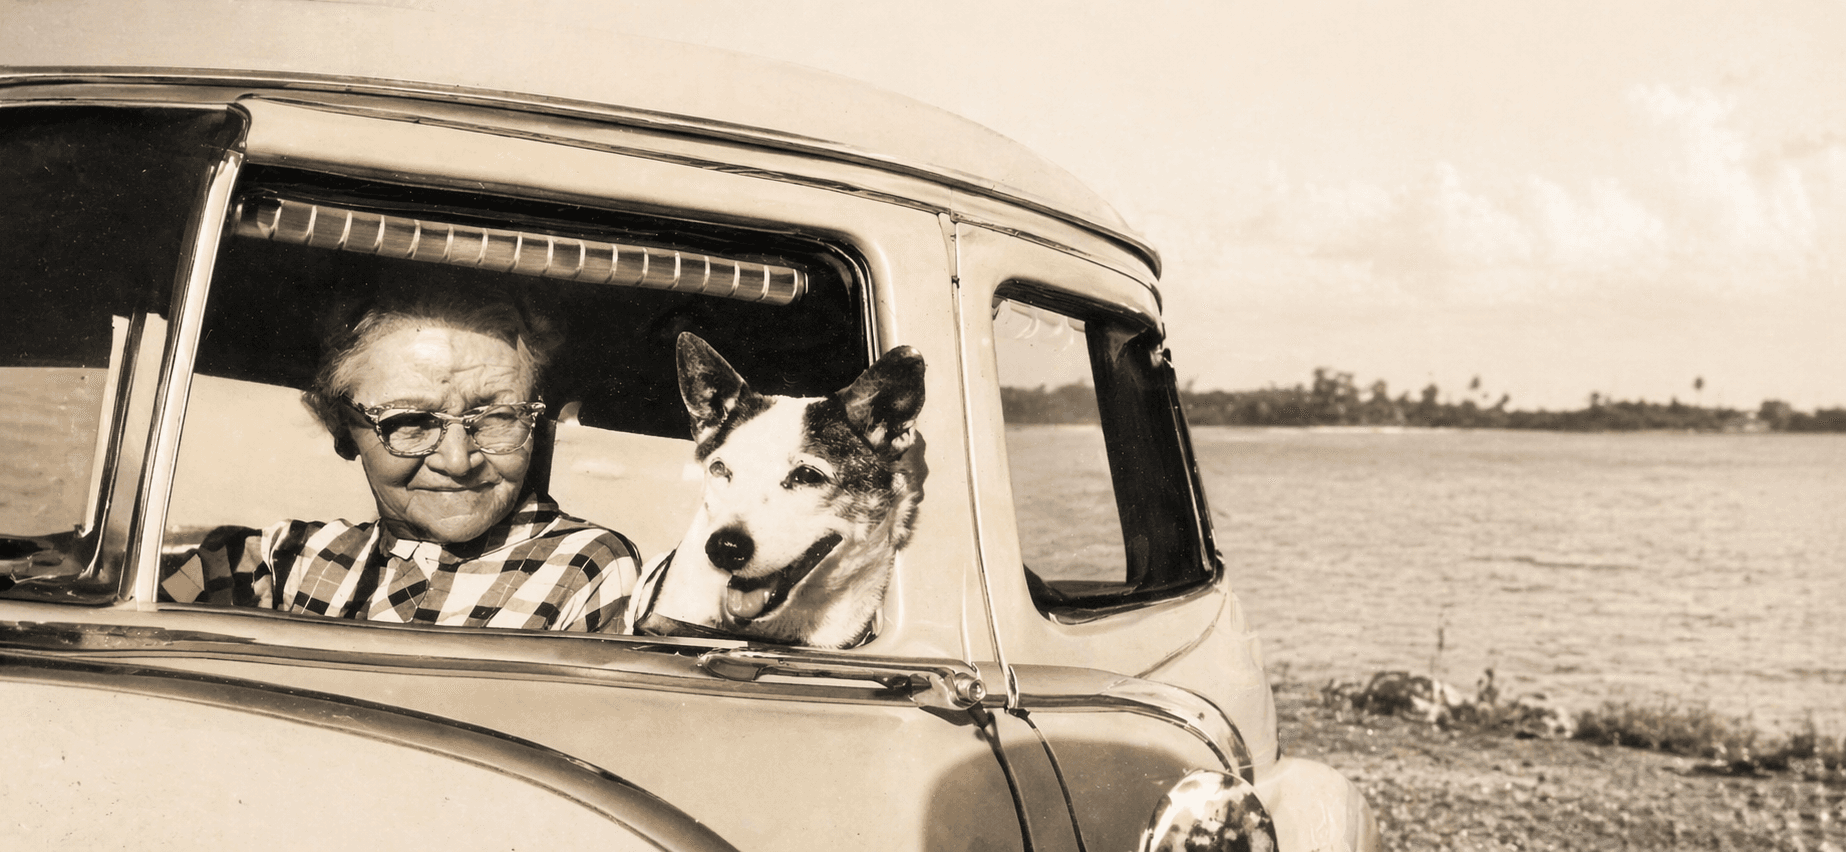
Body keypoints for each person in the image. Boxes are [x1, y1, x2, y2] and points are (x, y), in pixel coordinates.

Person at [161, 282, 638, 632]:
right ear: (341, 427)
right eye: (410, 422)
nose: (457, 460)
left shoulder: (584, 566)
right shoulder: (292, 558)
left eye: (497, 417)